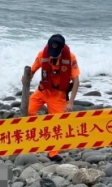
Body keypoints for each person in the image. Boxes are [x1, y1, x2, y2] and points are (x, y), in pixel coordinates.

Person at [23, 34, 80, 162]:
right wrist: (27, 77)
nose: (53, 55)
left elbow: (76, 81)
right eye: (51, 52)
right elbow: (32, 71)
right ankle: (32, 139)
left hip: (58, 95)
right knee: (28, 111)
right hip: (43, 91)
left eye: (56, 53)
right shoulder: (42, 55)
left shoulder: (70, 58)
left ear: (62, 49)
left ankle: (52, 153)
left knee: (59, 124)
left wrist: (70, 102)